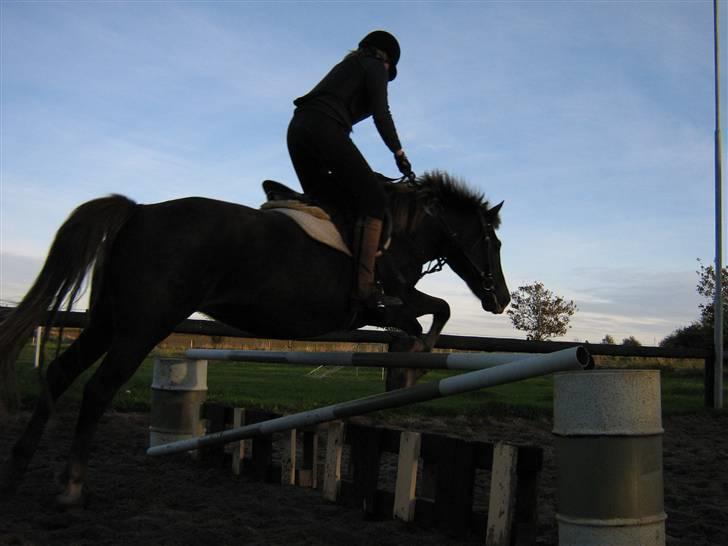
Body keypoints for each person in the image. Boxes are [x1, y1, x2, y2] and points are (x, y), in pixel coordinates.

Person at [287, 30, 413, 310]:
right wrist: (398, 152)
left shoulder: (347, 66)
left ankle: (322, 270)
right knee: (375, 201)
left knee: (329, 201)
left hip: (298, 129)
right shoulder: (375, 67)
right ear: (387, 60)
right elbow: (383, 113)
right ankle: (364, 290)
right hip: (325, 129)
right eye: (389, 70)